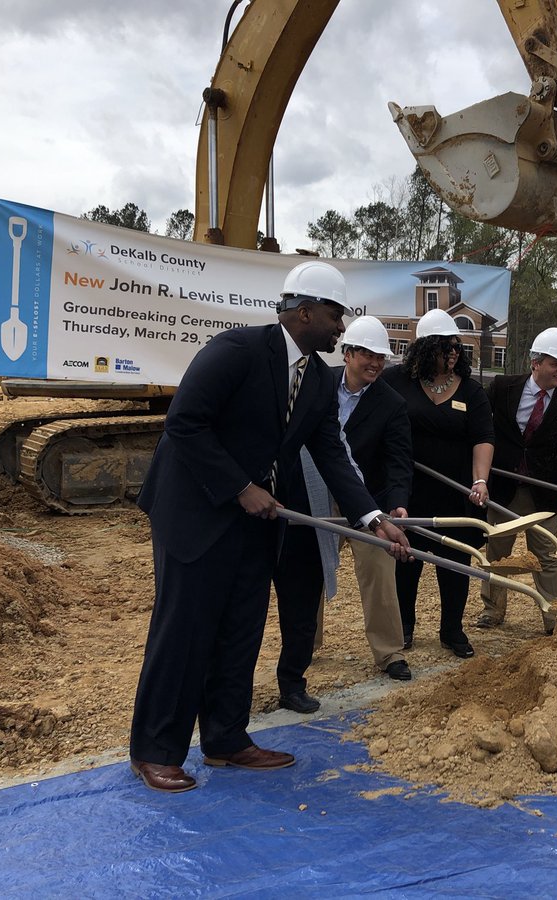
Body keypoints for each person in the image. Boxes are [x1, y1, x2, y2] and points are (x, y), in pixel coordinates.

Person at [128, 260, 410, 794]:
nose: (341, 328)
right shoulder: (236, 351)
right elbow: (184, 423)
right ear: (303, 312)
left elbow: (332, 453)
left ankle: (227, 739)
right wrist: (240, 487)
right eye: (334, 315)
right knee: (185, 630)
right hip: (194, 511)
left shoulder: (317, 382)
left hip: (255, 521)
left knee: (241, 630)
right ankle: (155, 750)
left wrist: (371, 517)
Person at [280, 315, 415, 696]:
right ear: (349, 353)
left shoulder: (391, 403)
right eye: (367, 355)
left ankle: (390, 653)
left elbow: (398, 460)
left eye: (381, 358)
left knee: (379, 569)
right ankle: (307, 643)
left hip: (365, 500)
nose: (375, 363)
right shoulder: (317, 382)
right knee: (312, 570)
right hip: (312, 495)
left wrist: (398, 504)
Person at [381, 308, 494, 659]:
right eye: (446, 347)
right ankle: (404, 626)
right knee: (406, 562)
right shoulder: (396, 381)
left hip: (456, 495)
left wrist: (480, 480)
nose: (454, 354)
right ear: (426, 349)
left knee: (455, 566)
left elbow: (483, 438)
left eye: (456, 347)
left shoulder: (472, 392)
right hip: (408, 492)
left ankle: (452, 630)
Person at [477, 327, 557, 634]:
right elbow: (482, 429)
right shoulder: (502, 388)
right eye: (555, 363)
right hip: (503, 489)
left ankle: (553, 617)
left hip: (544, 494)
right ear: (535, 363)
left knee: (548, 557)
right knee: (498, 554)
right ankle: (493, 610)